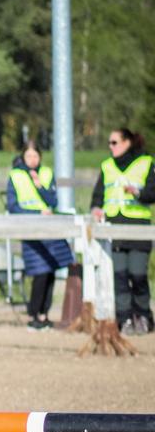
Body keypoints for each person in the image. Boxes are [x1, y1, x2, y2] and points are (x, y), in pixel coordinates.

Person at [90, 128, 155, 335]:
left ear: (127, 143)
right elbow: (98, 195)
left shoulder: (146, 163)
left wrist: (137, 192)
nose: (111, 146)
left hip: (138, 227)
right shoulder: (107, 166)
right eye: (109, 143)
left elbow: (152, 193)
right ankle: (124, 317)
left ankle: (143, 314)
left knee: (137, 274)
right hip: (114, 228)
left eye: (114, 142)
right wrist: (95, 209)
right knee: (119, 275)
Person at [5, 141, 74, 330]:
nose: (32, 160)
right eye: (28, 156)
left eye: (35, 156)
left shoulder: (46, 173)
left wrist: (39, 186)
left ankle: (44, 314)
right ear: (23, 157)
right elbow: (12, 206)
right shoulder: (16, 175)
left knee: (51, 270)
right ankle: (34, 313)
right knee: (39, 272)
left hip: (49, 228)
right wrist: (36, 213)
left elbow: (53, 201)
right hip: (30, 227)